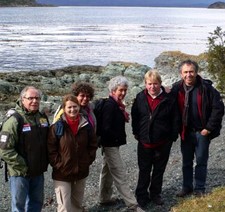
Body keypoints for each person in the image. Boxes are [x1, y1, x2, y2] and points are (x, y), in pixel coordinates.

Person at [171, 59, 224, 197]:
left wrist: (209, 128)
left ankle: (200, 188)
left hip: (202, 132)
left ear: (196, 72)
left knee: (201, 161)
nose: (189, 75)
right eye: (186, 72)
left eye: (191, 71)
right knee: (186, 162)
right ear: (181, 74)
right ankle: (187, 187)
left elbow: (218, 109)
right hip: (185, 132)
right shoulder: (176, 88)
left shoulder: (207, 88)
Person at [131, 70, 179, 208]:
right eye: (149, 84)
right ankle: (141, 196)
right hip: (145, 142)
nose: (152, 87)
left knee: (159, 170)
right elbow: (135, 116)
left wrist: (172, 135)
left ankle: (155, 194)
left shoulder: (168, 98)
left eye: (155, 84)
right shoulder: (140, 97)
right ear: (145, 84)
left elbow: (175, 118)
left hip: (163, 142)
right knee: (144, 170)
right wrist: (136, 132)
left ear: (160, 84)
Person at [0, 86, 49, 212]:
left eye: (37, 98)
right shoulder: (14, 120)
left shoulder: (42, 117)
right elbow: (4, 149)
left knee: (36, 203)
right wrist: (22, 165)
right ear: (22, 100)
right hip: (19, 173)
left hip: (38, 171)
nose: (34, 101)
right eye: (30, 98)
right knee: (18, 206)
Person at [98, 76, 142, 212]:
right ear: (113, 90)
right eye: (120, 90)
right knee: (119, 173)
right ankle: (133, 205)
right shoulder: (111, 105)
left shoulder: (116, 104)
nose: (123, 93)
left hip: (110, 144)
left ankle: (104, 198)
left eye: (125, 90)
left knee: (107, 171)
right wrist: (113, 141)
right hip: (110, 145)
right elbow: (106, 128)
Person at [48, 94, 98, 212]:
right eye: (69, 107)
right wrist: (59, 164)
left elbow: (93, 144)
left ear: (79, 107)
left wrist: (87, 160)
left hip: (81, 171)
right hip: (62, 173)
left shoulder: (86, 126)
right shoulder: (57, 127)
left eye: (75, 106)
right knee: (64, 207)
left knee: (77, 205)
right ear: (64, 109)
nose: (72, 110)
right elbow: (51, 149)